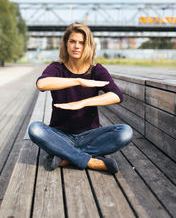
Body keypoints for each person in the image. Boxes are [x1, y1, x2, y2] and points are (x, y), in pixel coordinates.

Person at [28, 23, 133, 174]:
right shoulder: (56, 68)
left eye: (82, 42)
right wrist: (78, 81)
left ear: (88, 45)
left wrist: (83, 103)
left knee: (125, 132)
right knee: (35, 129)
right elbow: (41, 84)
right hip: (60, 135)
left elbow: (117, 95)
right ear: (66, 44)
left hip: (90, 136)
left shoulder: (97, 70)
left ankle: (66, 156)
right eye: (72, 41)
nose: (77, 46)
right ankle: (91, 161)